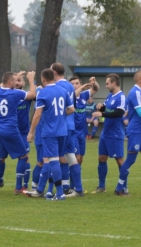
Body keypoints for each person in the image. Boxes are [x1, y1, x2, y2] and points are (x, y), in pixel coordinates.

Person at [26, 68, 74, 201]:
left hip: (50, 132)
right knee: (53, 159)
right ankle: (42, 190)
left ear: (43, 79)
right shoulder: (63, 91)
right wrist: (59, 116)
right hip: (63, 131)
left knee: (53, 161)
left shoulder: (43, 92)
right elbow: (71, 109)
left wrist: (31, 132)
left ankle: (59, 193)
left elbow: (37, 114)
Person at [0, 71, 36, 195]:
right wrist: (31, 80)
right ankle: (17, 187)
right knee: (23, 157)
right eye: (14, 81)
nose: (16, 83)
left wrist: (13, 77)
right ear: (11, 82)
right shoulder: (15, 93)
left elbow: (3, 83)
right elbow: (32, 94)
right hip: (10, 130)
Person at [52, 62, 84, 197]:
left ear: (54, 73)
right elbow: (73, 107)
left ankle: (50, 189)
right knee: (70, 157)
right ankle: (77, 189)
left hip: (62, 127)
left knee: (55, 157)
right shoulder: (70, 87)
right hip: (71, 126)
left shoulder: (57, 87)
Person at [91, 74, 127, 193]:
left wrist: (102, 114)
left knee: (120, 160)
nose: (106, 86)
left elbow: (119, 113)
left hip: (115, 134)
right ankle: (101, 187)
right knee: (101, 158)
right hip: (105, 134)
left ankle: (123, 187)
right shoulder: (110, 96)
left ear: (114, 83)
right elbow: (107, 109)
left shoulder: (121, 97)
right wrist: (101, 107)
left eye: (107, 83)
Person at [69, 76, 99, 166]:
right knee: (76, 158)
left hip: (82, 132)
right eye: (72, 84)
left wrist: (94, 83)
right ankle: (72, 178)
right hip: (72, 133)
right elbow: (73, 95)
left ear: (81, 84)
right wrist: (81, 87)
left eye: (77, 83)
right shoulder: (68, 96)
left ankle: (75, 177)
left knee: (81, 159)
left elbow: (95, 89)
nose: (75, 86)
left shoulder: (84, 95)